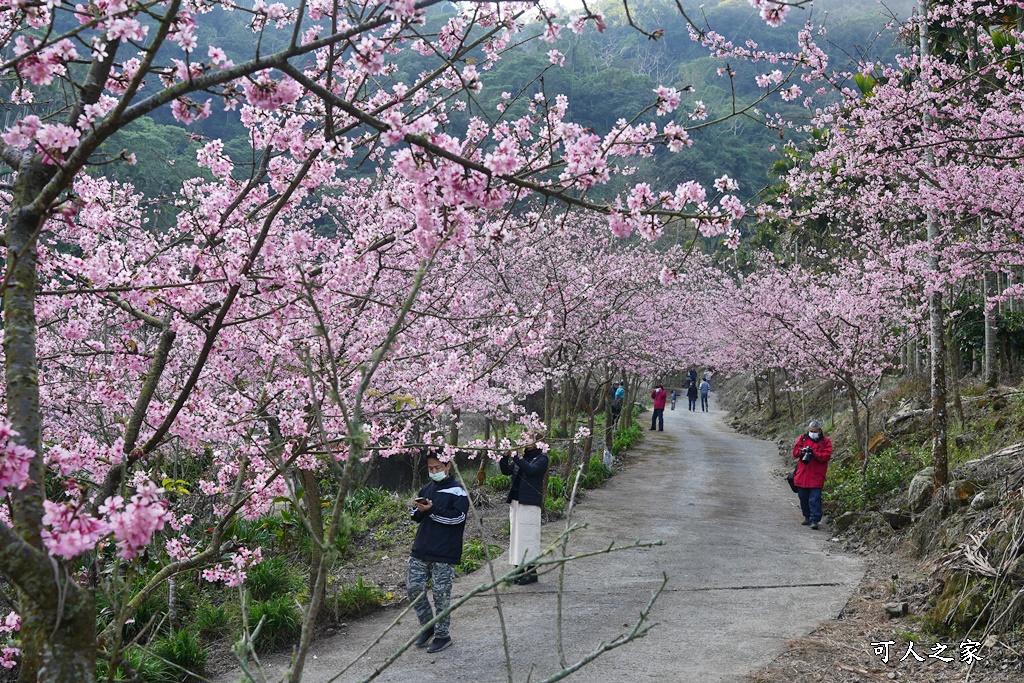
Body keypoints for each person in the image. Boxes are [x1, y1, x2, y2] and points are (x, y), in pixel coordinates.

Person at [408, 451, 469, 653]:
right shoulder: (427, 488)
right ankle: (428, 626)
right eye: (431, 468)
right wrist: (419, 509)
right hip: (421, 548)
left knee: (441, 595)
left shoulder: (458, 492)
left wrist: (432, 511)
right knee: (414, 589)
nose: (434, 472)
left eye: (438, 468)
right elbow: (414, 516)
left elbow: (457, 519)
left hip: (444, 552)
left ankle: (443, 635)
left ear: (448, 466)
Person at [499, 437, 550, 585]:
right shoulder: (521, 458)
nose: (523, 440)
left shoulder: (541, 459)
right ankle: (518, 569)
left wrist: (515, 457)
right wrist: (505, 456)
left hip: (530, 503)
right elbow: (506, 471)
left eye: (528, 438)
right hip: (516, 501)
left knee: (529, 538)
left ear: (537, 441)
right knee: (516, 538)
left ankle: (531, 571)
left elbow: (531, 471)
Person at [791, 421, 833, 530]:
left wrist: (815, 454)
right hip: (802, 475)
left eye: (814, 431)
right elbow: (795, 452)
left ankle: (815, 520)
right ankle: (807, 517)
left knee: (814, 499)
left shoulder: (826, 441)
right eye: (810, 431)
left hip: (816, 476)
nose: (812, 433)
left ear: (820, 431)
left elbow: (826, 456)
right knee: (803, 498)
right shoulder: (803, 438)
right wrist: (802, 451)